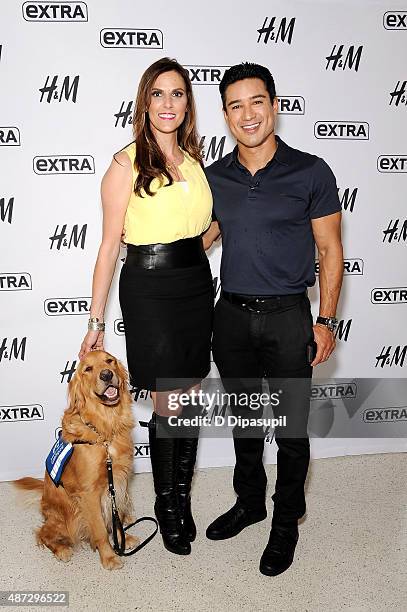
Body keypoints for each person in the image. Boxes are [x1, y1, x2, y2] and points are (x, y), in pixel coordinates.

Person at [203, 62, 343, 576]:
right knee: (243, 420)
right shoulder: (214, 177)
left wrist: (325, 320)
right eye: (235, 105)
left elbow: (330, 250)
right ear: (225, 115)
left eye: (256, 101)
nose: (247, 114)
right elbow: (202, 238)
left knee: (289, 430)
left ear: (275, 105)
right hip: (231, 316)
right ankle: (249, 502)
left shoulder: (311, 170)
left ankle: (285, 524)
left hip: (288, 316)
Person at [79, 57, 214, 556]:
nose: (167, 104)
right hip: (150, 288)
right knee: (168, 401)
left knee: (193, 395)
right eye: (158, 94)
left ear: (188, 104)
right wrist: (96, 320)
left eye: (177, 94)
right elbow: (109, 246)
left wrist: (194, 252)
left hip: (196, 285)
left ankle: (182, 495)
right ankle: (166, 504)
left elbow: (205, 226)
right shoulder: (126, 162)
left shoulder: (196, 163)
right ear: (144, 101)